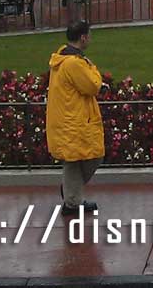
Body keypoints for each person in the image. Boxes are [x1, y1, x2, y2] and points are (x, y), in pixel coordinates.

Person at [47, 20, 104, 213]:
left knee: (76, 160)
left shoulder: (63, 57)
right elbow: (92, 85)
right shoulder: (74, 64)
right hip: (74, 119)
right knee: (89, 157)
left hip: (69, 117)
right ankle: (72, 197)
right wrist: (93, 68)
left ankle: (72, 193)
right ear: (83, 37)